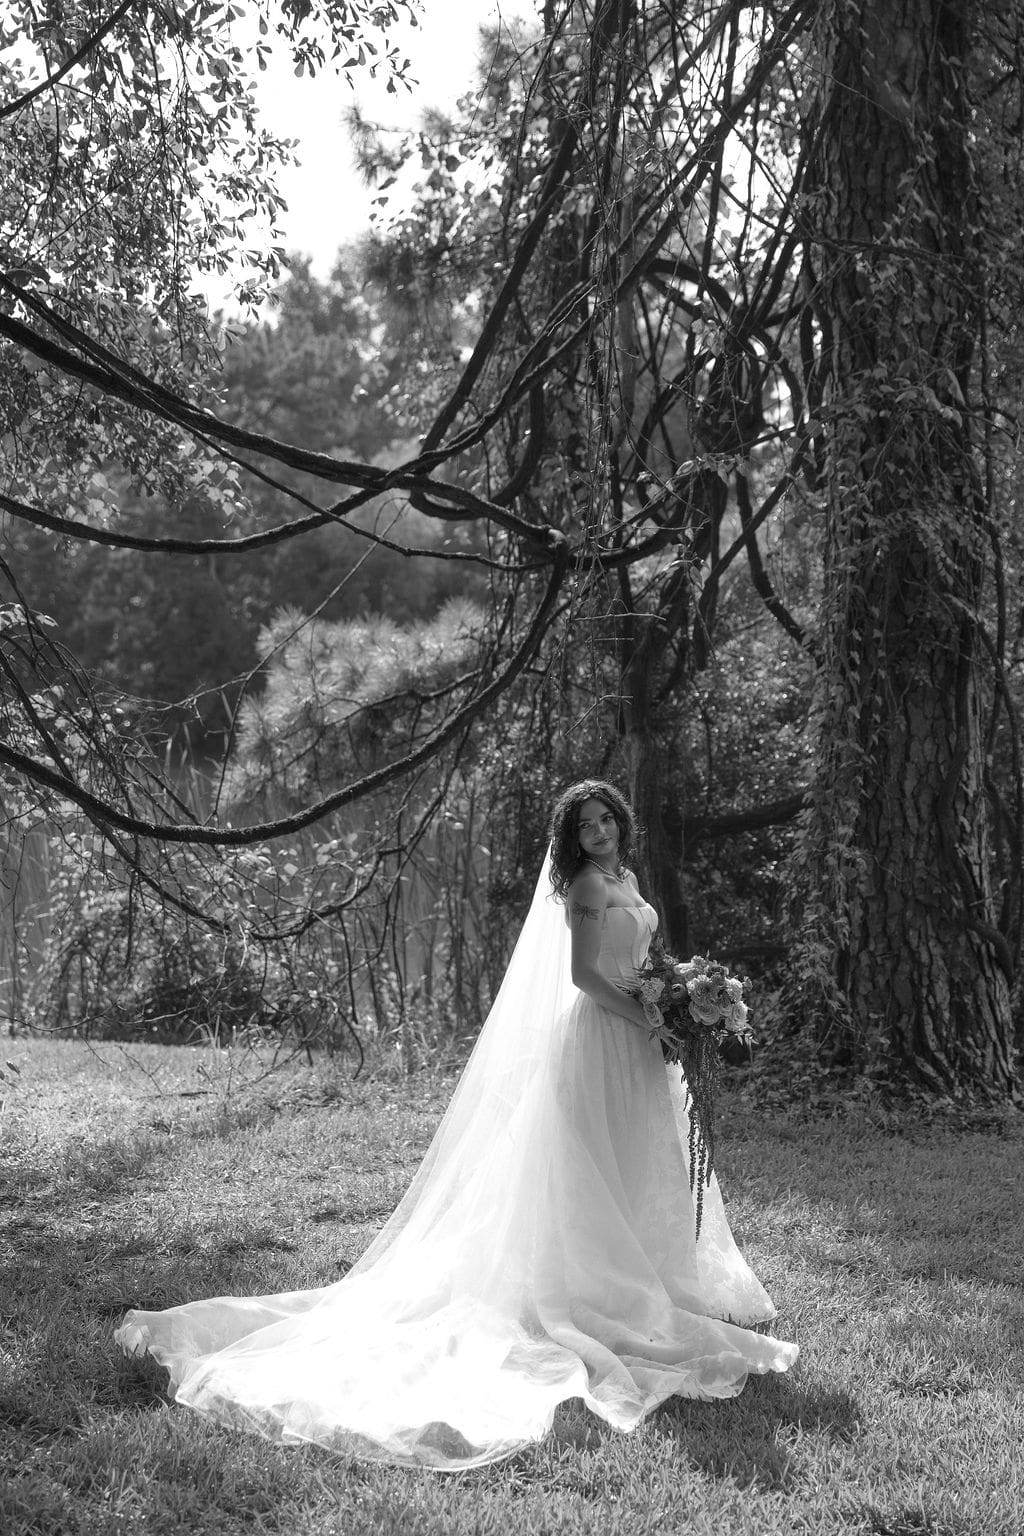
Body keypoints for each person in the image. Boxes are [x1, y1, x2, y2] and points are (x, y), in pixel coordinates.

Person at [116, 779, 798, 1469]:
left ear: (621, 821)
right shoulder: (587, 888)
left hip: (642, 1043)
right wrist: (650, 1014)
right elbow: (588, 980)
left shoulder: (624, 876)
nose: (598, 832)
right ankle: (594, 1285)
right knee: (589, 1161)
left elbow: (635, 963)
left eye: (605, 819)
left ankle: (650, 1273)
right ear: (573, 838)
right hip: (600, 1037)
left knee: (642, 1158)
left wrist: (677, 994)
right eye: (585, 826)